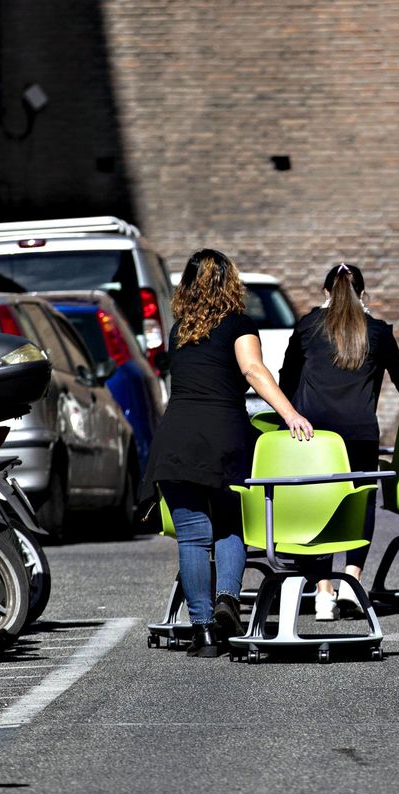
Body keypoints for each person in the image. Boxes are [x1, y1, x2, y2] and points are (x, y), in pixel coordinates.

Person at [143, 249, 313, 657]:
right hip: (223, 433)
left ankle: (202, 632)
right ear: (230, 283)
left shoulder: (181, 328)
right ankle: (228, 601)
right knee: (229, 523)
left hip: (176, 436)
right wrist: (290, 413)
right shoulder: (238, 322)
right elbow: (253, 371)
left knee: (192, 536)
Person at [279, 262, 399, 620]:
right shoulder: (378, 332)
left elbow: (286, 380)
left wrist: (286, 415)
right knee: (361, 506)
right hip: (359, 433)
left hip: (312, 436)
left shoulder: (306, 327)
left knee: (315, 506)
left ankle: (323, 592)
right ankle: (352, 581)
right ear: (364, 295)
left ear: (325, 293)